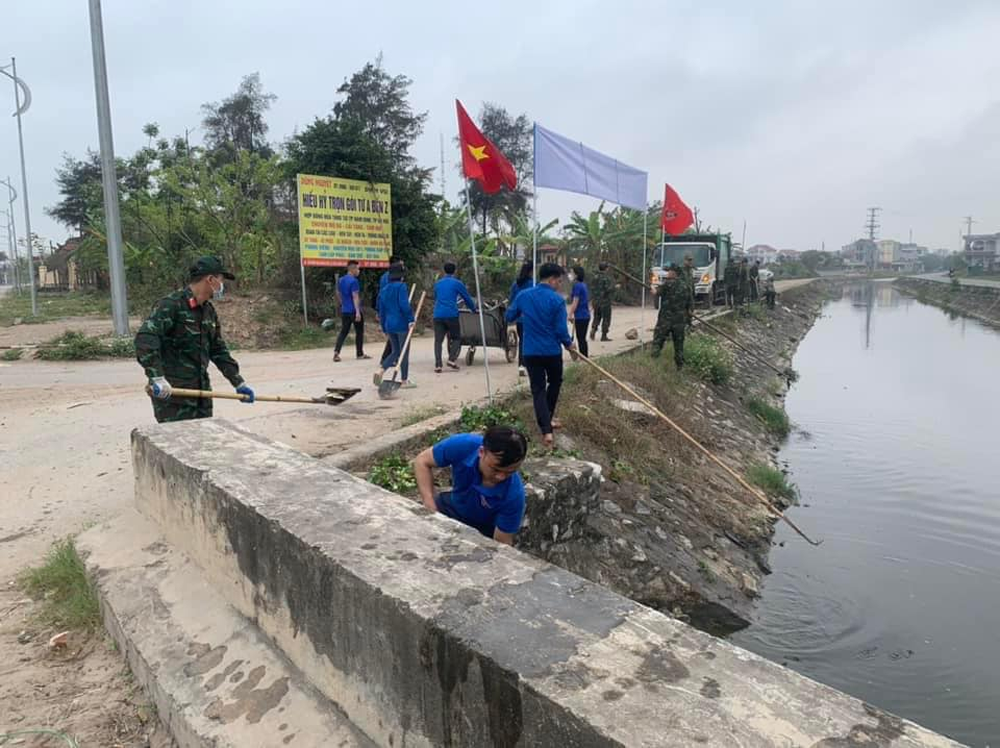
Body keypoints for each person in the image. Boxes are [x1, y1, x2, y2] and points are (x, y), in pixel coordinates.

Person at [135, 256, 254, 423]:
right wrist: (157, 377)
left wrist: (238, 382)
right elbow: (145, 339)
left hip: (201, 396)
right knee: (178, 439)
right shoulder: (171, 305)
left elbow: (218, 350)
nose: (222, 286)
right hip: (173, 397)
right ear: (211, 280)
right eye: (221, 280)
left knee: (204, 438)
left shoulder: (208, 311)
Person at [412, 426, 529, 545]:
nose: (501, 477)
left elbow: (502, 543)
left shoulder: (514, 496)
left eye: (509, 472)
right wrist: (430, 506)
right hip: (453, 506)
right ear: (481, 452)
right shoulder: (463, 445)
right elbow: (422, 461)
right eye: (495, 469)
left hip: (483, 529)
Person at [505, 263, 578, 448]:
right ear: (551, 279)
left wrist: (521, 311)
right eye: (559, 281)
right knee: (555, 383)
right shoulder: (556, 300)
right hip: (551, 352)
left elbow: (509, 316)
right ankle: (548, 422)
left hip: (530, 352)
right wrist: (570, 345)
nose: (559, 285)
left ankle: (546, 430)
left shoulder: (523, 295)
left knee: (538, 389)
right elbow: (560, 330)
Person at [433, 261, 477, 373]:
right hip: (451, 314)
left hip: (438, 315)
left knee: (438, 341)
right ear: (454, 271)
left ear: (444, 270)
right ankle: (451, 360)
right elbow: (466, 298)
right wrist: (473, 309)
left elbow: (436, 297)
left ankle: (438, 365)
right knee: (456, 338)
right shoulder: (457, 283)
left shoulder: (438, 283)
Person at [375, 263, 415, 388]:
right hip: (401, 324)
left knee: (395, 351)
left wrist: (384, 327)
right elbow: (404, 305)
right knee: (404, 352)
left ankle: (381, 370)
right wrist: (411, 319)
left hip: (389, 324)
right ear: (401, 275)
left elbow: (381, 311)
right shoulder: (401, 287)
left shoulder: (384, 290)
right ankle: (404, 380)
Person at [651, 264, 693, 370]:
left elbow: (656, 292)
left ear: (674, 273)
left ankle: (652, 362)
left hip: (665, 320)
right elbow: (690, 307)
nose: (667, 273)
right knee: (679, 345)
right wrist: (689, 321)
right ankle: (680, 366)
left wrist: (653, 288)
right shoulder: (686, 287)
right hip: (679, 321)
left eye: (669, 271)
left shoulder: (667, 284)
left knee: (658, 340)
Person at [334, 260, 369, 362]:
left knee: (343, 331)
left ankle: (336, 352)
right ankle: (359, 353)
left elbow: (338, 293)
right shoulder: (354, 281)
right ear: (352, 269)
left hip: (345, 310)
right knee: (359, 332)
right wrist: (357, 312)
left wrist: (342, 303)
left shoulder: (341, 280)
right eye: (358, 268)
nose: (359, 271)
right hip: (354, 310)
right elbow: (355, 296)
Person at [508, 261, 534, 376]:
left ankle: (521, 365)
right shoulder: (533, 284)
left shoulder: (516, 284)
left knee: (522, 341)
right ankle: (527, 365)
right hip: (531, 318)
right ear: (531, 271)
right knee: (530, 341)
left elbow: (511, 301)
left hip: (519, 319)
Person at [377, 255, 402, 364]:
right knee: (395, 333)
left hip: (386, 307)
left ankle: (391, 357)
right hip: (391, 308)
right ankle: (387, 358)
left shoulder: (384, 276)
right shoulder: (392, 277)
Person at [567, 265, 591, 358]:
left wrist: (570, 314)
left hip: (581, 316)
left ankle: (584, 356)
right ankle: (584, 356)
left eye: (572, 272)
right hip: (585, 315)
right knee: (582, 338)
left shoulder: (577, 286)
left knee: (580, 338)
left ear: (576, 275)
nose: (570, 274)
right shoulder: (583, 285)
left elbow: (575, 302)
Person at [589, 261, 614, 341]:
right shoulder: (606, 278)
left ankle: (593, 329)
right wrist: (614, 287)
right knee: (606, 318)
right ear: (606, 268)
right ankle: (604, 335)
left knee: (596, 317)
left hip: (596, 301)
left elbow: (592, 288)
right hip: (605, 301)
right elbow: (607, 289)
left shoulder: (595, 277)